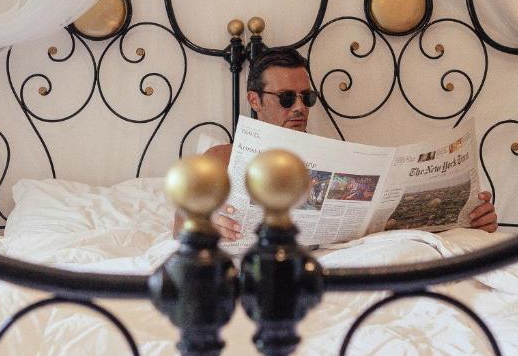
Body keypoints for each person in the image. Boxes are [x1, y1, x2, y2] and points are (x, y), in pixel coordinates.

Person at [172, 47, 498, 240]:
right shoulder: (222, 157)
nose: (300, 107)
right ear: (254, 100)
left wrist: (473, 220)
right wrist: (204, 221)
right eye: (287, 98)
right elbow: (178, 226)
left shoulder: (338, 160)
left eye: (307, 97)